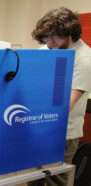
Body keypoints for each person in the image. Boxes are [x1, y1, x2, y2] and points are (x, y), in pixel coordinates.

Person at [30, 7, 91, 186]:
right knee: (34, 179)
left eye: (54, 37)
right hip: (39, 126)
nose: (49, 43)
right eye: (46, 37)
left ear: (70, 33)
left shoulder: (85, 59)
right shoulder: (48, 49)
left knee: (56, 181)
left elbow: (64, 106)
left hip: (64, 134)